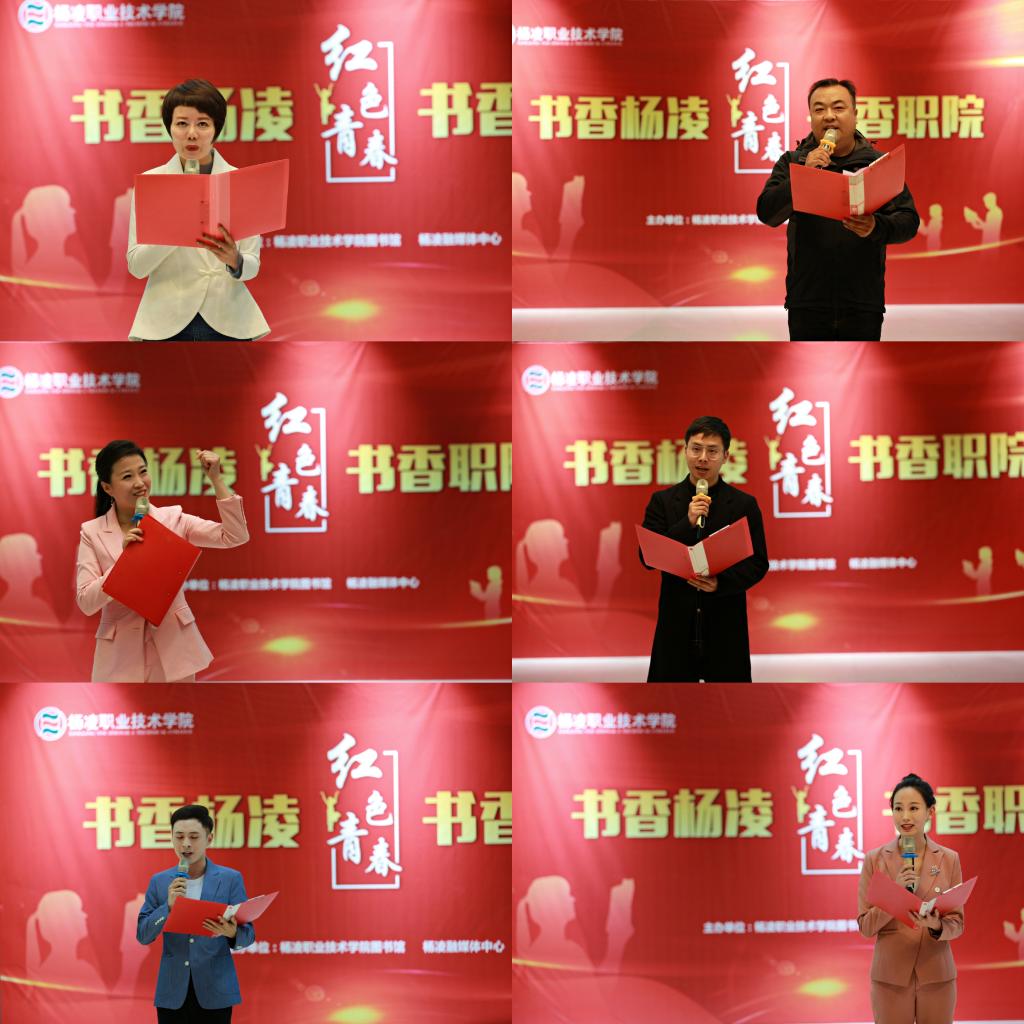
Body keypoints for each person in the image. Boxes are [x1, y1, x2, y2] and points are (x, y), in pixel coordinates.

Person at [756, 78, 920, 341]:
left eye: (838, 108)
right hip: (807, 303)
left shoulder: (879, 164)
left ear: (855, 114)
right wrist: (803, 176)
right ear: (811, 117)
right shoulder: (793, 162)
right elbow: (767, 213)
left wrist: (876, 227)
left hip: (862, 303)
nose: (829, 116)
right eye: (819, 109)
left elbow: (909, 221)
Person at [75, 439, 249, 681]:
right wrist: (125, 563)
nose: (139, 483)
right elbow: (86, 602)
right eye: (127, 476)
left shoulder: (173, 519)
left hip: (175, 653)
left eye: (143, 472)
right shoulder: (92, 532)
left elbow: (234, 536)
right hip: (120, 658)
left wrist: (217, 480)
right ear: (107, 487)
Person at [127, 79, 269, 340]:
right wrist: (176, 229)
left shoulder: (239, 182)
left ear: (216, 129)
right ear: (169, 127)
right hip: (165, 321)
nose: (192, 134)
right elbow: (136, 266)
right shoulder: (151, 183)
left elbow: (252, 265)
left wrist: (235, 260)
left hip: (228, 318)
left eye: (203, 124)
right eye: (182, 123)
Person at [639, 416, 768, 682]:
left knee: (729, 700)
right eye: (696, 449)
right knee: (670, 699)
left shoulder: (743, 505)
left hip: (725, 626)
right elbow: (647, 557)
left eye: (712, 451)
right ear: (684, 451)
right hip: (676, 625)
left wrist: (720, 583)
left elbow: (758, 563)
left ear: (726, 456)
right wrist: (686, 522)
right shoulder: (663, 502)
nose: (703, 458)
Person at [857, 773, 963, 1024]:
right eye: (898, 808)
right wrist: (894, 895)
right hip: (890, 978)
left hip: (936, 975)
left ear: (930, 811)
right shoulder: (875, 860)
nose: (905, 816)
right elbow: (865, 926)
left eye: (914, 808)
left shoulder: (949, 859)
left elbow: (957, 924)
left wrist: (936, 925)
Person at [137, 805, 254, 1021]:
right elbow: (143, 935)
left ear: (209, 839)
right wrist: (168, 907)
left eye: (193, 837)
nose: (186, 844)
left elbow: (248, 935)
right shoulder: (160, 881)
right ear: (171, 838)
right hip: (173, 992)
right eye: (179, 836)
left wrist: (231, 933)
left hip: (216, 991)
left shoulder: (230, 879)